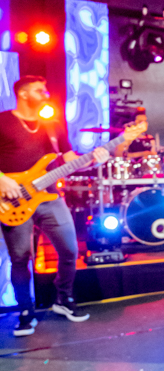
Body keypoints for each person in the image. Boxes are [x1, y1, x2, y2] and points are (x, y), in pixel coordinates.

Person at [0, 76, 109, 336]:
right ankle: (26, 311)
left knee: (70, 250)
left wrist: (94, 159)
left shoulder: (53, 125)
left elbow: (71, 160)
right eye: (40, 90)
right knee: (20, 258)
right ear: (23, 94)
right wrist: (1, 179)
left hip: (49, 196)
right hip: (12, 200)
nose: (46, 94)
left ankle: (64, 299)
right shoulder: (3, 121)